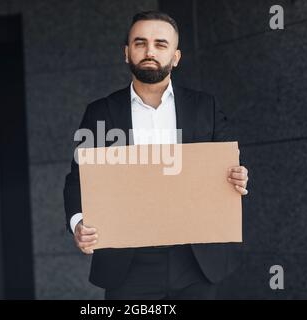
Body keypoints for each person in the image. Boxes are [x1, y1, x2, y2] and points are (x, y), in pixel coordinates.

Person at [63, 11, 249, 299]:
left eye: (161, 44)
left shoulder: (205, 107)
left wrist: (237, 176)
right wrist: (78, 224)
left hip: (196, 261)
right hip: (127, 263)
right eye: (140, 43)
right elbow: (78, 181)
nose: (150, 51)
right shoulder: (101, 112)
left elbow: (228, 168)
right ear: (127, 53)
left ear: (175, 57)